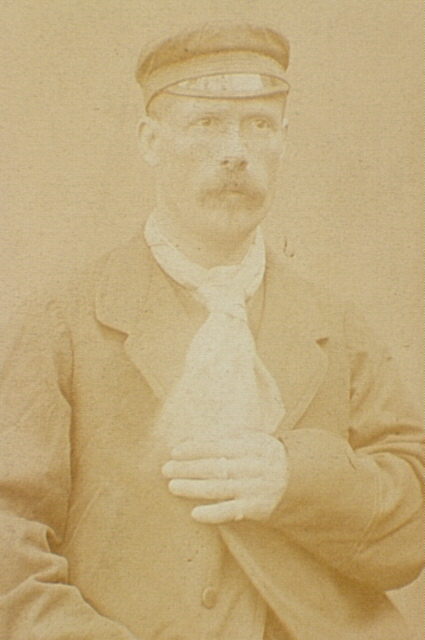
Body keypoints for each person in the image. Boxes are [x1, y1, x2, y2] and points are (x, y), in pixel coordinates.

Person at [0, 22, 423, 640]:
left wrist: (295, 480)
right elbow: (8, 546)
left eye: (259, 125)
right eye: (206, 123)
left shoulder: (337, 326)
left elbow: (411, 528)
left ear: (284, 140)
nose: (235, 152)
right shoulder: (61, 321)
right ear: (151, 140)